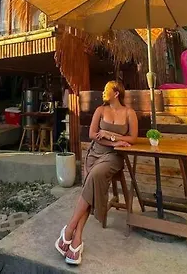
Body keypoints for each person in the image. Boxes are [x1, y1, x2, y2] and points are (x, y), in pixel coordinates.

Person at [55, 81, 138, 265]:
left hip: (114, 156)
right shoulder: (100, 110)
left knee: (94, 176)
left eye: (106, 90)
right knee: (91, 185)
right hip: (95, 153)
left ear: (116, 93)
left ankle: (69, 230)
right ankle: (77, 239)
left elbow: (133, 138)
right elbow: (93, 134)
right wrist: (110, 139)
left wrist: (111, 136)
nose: (103, 92)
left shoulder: (129, 113)